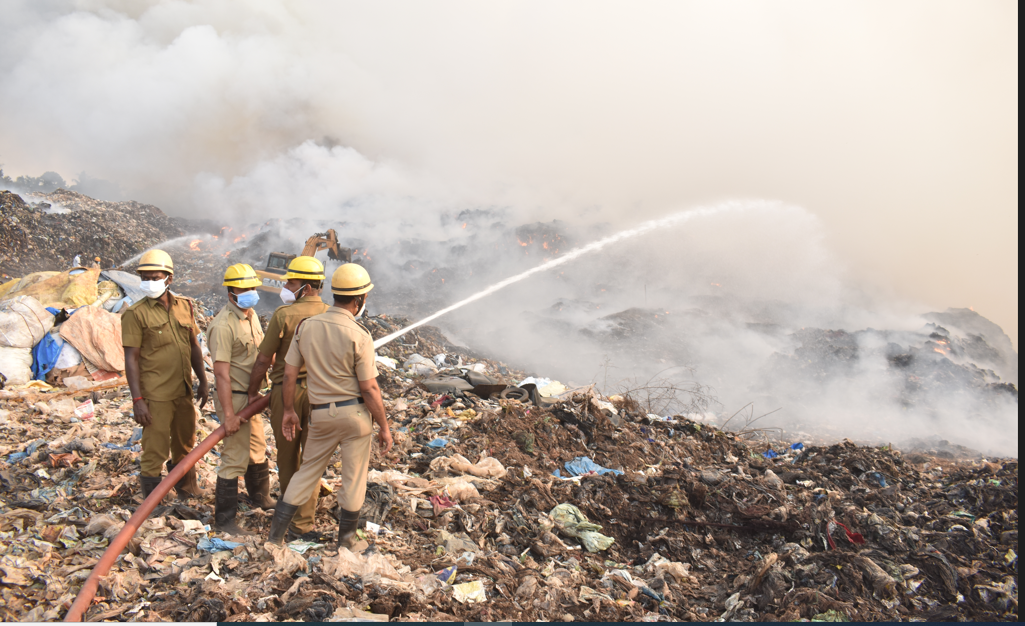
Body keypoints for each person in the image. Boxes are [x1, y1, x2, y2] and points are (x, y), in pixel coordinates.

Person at [267, 263, 392, 547]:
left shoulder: (306, 327)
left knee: (307, 472)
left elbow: (288, 373)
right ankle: (345, 544)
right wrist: (384, 427)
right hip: (354, 416)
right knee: (353, 479)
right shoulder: (359, 335)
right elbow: (370, 388)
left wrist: (288, 411)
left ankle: (274, 539)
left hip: (320, 414)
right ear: (359, 300)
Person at [246, 256, 329, 541]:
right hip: (322, 396)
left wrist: (252, 393)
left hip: (286, 395)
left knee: (289, 459)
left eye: (291, 282)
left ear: (306, 287)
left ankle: (288, 517)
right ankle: (304, 524)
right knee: (313, 461)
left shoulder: (284, 315)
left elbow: (262, 360)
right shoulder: (332, 314)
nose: (285, 285)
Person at [121, 249, 209, 500]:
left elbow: (193, 345)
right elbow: (131, 358)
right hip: (156, 394)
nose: (149, 282)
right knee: (155, 448)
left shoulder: (185, 306)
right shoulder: (135, 314)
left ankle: (186, 488)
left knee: (184, 443)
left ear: (169, 278)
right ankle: (152, 501)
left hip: (183, 389)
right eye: (144, 277)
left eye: (155, 277)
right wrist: (137, 400)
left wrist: (202, 380)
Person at [207, 264, 276, 534]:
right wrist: (229, 415)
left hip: (252, 398)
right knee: (234, 458)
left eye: (252, 288)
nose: (249, 292)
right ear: (230, 291)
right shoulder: (223, 325)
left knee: (257, 448)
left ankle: (260, 497)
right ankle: (225, 520)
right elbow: (222, 375)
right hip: (234, 399)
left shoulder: (251, 316)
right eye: (243, 288)